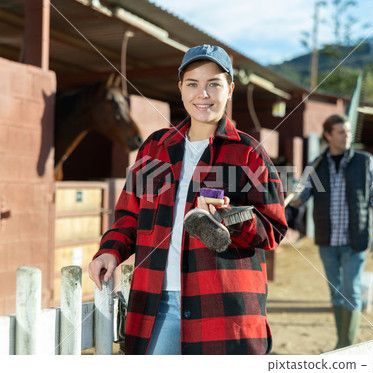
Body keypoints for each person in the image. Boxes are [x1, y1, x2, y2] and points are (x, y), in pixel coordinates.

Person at [88, 44, 288, 355]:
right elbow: (129, 214)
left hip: (223, 306)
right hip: (157, 304)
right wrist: (110, 251)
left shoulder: (249, 153)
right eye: (193, 83)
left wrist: (229, 217)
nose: (202, 94)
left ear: (230, 89)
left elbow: (273, 226)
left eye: (214, 84)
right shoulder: (154, 148)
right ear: (181, 89)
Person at [289, 114, 373, 349]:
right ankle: (341, 342)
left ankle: (347, 346)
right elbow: (299, 199)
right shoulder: (317, 165)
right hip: (327, 240)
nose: (347, 136)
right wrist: (287, 191)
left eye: (348, 131)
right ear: (328, 136)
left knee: (351, 290)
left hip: (355, 239)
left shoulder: (364, 162)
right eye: (341, 132)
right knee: (335, 293)